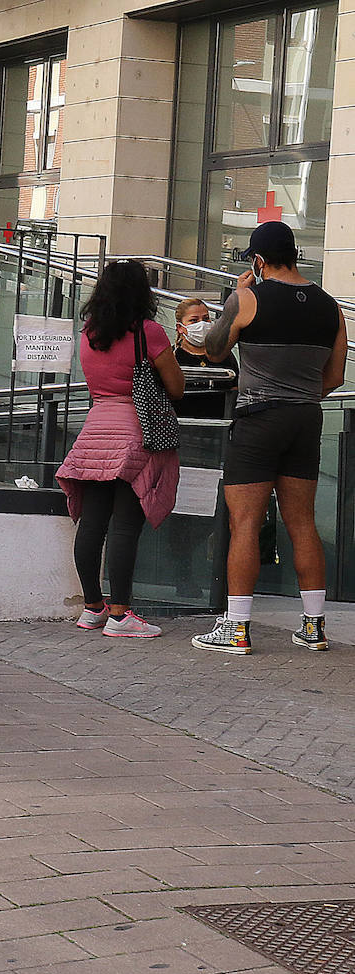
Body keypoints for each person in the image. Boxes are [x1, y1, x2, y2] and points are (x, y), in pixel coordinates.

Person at [193, 220, 347, 655]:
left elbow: (215, 351)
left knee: (245, 522)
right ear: (295, 255)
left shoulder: (247, 297)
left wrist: (232, 299)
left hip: (259, 418)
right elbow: (334, 376)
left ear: (258, 261)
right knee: (302, 523)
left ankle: (237, 627)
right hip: (305, 418)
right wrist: (298, 395)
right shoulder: (331, 306)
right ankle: (314, 626)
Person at [55, 260, 184, 638]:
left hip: (95, 432)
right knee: (126, 525)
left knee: (92, 523)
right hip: (135, 433)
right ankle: (122, 614)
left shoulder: (89, 333)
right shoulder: (149, 332)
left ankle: (93, 608)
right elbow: (175, 387)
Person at [174, 299, 236, 373]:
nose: (202, 324)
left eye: (206, 319)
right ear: (180, 327)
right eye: (194, 320)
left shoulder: (223, 354)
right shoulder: (172, 357)